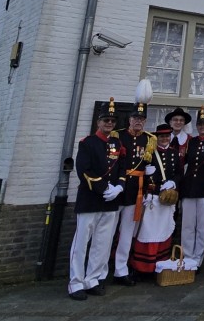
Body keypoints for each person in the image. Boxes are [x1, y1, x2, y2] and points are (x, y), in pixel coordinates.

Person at [68, 98, 124, 300]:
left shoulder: (117, 144)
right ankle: (75, 282)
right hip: (91, 199)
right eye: (106, 120)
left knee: (102, 243)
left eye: (112, 121)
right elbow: (84, 170)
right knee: (81, 243)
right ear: (98, 122)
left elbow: (121, 168)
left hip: (110, 202)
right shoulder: (87, 143)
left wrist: (119, 186)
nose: (109, 123)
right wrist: (103, 188)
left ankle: (93, 279)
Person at [113, 81, 155, 286]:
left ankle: (121, 270)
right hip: (116, 190)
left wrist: (149, 188)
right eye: (135, 118)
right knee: (109, 232)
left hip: (135, 191)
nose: (138, 122)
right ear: (129, 119)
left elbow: (149, 166)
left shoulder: (150, 140)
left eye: (142, 119)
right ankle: (103, 268)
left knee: (127, 232)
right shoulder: (118, 136)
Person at [129, 123, 182, 275]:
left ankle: (159, 265)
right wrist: (146, 176)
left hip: (166, 199)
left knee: (163, 231)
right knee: (146, 232)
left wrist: (174, 182)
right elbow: (137, 172)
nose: (165, 138)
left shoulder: (175, 153)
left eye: (167, 136)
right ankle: (141, 267)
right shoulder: (149, 153)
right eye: (162, 136)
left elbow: (179, 173)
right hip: (152, 198)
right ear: (156, 138)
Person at [180, 106, 204, 271]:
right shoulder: (191, 142)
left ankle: (198, 259)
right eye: (200, 124)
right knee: (187, 226)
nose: (202, 127)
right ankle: (187, 257)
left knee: (201, 227)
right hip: (189, 189)